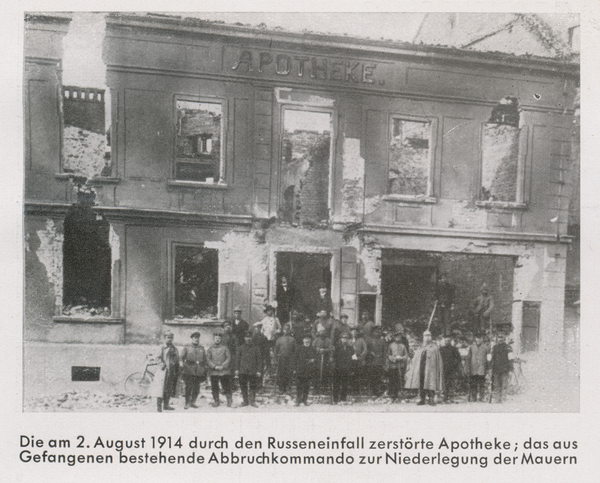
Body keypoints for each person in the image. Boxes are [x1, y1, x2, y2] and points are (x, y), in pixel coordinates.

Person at [405, 330, 444, 406]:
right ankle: (422, 399)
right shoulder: (420, 348)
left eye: (429, 335)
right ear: (423, 337)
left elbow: (438, 360)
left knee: (431, 383)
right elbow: (416, 358)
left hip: (431, 369)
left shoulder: (435, 348)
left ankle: (431, 399)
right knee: (421, 383)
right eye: (426, 336)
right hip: (421, 368)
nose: (427, 337)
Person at [152, 331, 180, 412]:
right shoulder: (161, 348)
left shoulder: (174, 349)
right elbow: (157, 357)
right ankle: (159, 407)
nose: (170, 339)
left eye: (171, 338)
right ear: (164, 338)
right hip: (163, 372)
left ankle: (166, 405)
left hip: (171, 372)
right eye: (168, 337)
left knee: (168, 389)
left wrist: (177, 367)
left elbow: (177, 359)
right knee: (160, 390)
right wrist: (163, 365)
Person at [206, 330, 233, 407]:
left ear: (221, 339)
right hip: (214, 371)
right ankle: (216, 401)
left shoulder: (225, 348)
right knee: (214, 386)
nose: (217, 339)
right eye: (216, 338)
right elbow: (208, 359)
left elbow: (229, 358)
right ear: (213, 339)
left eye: (219, 338)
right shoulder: (210, 349)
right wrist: (214, 366)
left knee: (226, 386)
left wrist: (223, 366)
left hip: (224, 371)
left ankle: (229, 401)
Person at [236, 331, 263, 407]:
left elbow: (259, 360)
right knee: (243, 386)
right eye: (247, 337)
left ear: (252, 338)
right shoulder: (241, 348)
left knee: (253, 386)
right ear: (244, 338)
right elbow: (237, 359)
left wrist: (259, 370)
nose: (248, 339)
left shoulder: (256, 348)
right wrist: (237, 369)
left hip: (252, 371)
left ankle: (252, 401)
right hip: (243, 371)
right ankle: (245, 401)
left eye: (249, 337)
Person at [180, 332, 206, 409]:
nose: (196, 339)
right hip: (189, 369)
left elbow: (204, 359)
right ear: (192, 339)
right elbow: (181, 358)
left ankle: (193, 402)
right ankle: (187, 403)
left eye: (197, 338)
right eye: (195, 338)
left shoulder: (201, 348)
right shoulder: (187, 347)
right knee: (188, 387)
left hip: (198, 370)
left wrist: (204, 368)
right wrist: (181, 365)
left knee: (196, 388)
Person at [385, 329, 409, 402]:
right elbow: (388, 355)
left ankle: (400, 394)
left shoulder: (403, 346)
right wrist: (392, 358)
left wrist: (402, 358)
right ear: (394, 337)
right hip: (393, 366)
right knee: (393, 380)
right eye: (397, 337)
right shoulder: (391, 345)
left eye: (399, 337)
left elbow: (406, 355)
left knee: (400, 379)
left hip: (400, 365)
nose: (398, 338)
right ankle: (392, 395)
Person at [464, 333, 489, 402]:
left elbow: (488, 359)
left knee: (482, 384)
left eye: (480, 338)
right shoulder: (471, 347)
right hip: (473, 368)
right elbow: (468, 358)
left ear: (482, 339)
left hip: (482, 368)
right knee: (473, 384)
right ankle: (473, 397)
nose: (478, 340)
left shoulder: (486, 347)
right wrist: (467, 368)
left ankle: (481, 397)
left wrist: (488, 369)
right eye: (477, 338)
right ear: (475, 339)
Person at [294, 334, 317, 406]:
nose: (307, 340)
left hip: (309, 370)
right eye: (305, 339)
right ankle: (298, 401)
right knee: (299, 386)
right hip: (300, 369)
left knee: (307, 386)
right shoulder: (299, 348)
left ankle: (305, 400)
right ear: (303, 340)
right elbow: (295, 359)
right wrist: (295, 369)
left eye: (308, 339)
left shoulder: (313, 349)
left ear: (310, 340)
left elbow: (317, 358)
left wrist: (314, 360)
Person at [438, 334, 462, 403]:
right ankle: (445, 397)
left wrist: (454, 365)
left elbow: (458, 359)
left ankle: (451, 397)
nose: (447, 342)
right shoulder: (441, 349)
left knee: (451, 383)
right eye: (446, 340)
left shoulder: (454, 349)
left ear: (450, 341)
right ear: (444, 341)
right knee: (444, 383)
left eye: (448, 340)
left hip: (452, 369)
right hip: (443, 369)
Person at [258, 304, 282, 371]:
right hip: (266, 339)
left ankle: (274, 366)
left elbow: (280, 328)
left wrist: (276, 332)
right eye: (268, 311)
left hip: (273, 338)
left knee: (274, 352)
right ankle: (267, 366)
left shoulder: (275, 319)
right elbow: (261, 329)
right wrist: (263, 334)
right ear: (266, 312)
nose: (269, 312)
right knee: (266, 353)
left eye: (271, 311)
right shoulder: (264, 320)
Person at [332, 332, 354, 404]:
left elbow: (353, 358)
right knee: (336, 384)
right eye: (343, 338)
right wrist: (334, 366)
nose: (345, 340)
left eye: (346, 338)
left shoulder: (350, 348)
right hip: (337, 368)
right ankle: (335, 399)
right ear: (340, 339)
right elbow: (333, 357)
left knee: (345, 384)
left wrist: (352, 368)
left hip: (346, 369)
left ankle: (343, 399)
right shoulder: (337, 347)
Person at [274, 325, 296, 394]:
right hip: (281, 359)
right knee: (281, 374)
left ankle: (288, 388)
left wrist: (294, 359)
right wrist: (275, 359)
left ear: (289, 330)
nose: (286, 331)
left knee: (289, 373)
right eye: (285, 329)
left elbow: (295, 351)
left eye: (287, 329)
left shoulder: (293, 340)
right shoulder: (279, 339)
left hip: (290, 359)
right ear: (282, 330)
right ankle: (281, 388)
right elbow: (276, 350)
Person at [366, 326, 387, 397]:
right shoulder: (369, 340)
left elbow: (385, 352)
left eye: (379, 332)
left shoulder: (382, 341)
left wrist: (384, 362)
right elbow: (366, 350)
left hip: (379, 362)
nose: (378, 333)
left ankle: (377, 391)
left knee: (379, 377)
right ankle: (371, 391)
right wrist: (370, 353)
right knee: (371, 377)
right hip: (372, 362)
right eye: (376, 332)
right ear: (373, 332)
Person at [491, 333, 512, 403]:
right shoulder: (494, 347)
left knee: (504, 385)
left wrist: (511, 369)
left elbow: (511, 359)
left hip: (505, 369)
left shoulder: (508, 347)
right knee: (497, 385)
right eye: (499, 338)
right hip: (496, 369)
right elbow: (492, 358)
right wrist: (491, 367)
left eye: (502, 338)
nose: (500, 339)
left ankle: (503, 399)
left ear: (504, 339)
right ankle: (497, 399)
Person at [312, 327, 333, 394]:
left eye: (324, 332)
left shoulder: (328, 341)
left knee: (325, 373)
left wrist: (324, 350)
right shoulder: (316, 340)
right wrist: (317, 350)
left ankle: (324, 389)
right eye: (321, 332)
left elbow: (331, 349)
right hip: (317, 359)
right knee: (316, 373)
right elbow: (312, 348)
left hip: (325, 359)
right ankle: (316, 388)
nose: (322, 333)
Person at [349, 326, 368, 395]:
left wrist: (360, 357)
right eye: (353, 331)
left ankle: (359, 390)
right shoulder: (349, 340)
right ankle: (352, 390)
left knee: (359, 375)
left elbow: (365, 350)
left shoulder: (361, 340)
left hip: (360, 360)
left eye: (356, 331)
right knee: (351, 374)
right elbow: (347, 350)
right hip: (351, 360)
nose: (354, 333)